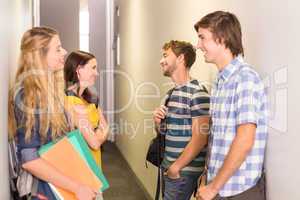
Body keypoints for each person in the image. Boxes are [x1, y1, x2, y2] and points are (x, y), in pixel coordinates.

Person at [8, 27, 98, 200]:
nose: (64, 51)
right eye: (57, 48)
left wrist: (72, 117)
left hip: (58, 180)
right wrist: (77, 187)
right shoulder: (28, 95)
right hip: (46, 190)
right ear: (39, 55)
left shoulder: (49, 91)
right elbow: (30, 160)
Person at [194, 11, 268, 200]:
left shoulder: (245, 79)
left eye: (202, 38)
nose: (198, 45)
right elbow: (217, 137)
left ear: (222, 38)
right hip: (218, 188)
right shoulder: (221, 81)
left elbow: (244, 140)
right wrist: (207, 178)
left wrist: (212, 188)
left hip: (238, 192)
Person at [153, 40, 210, 200]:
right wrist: (158, 123)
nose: (161, 60)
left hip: (182, 173)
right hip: (169, 169)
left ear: (181, 58)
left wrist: (175, 168)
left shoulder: (198, 93)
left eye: (165, 55)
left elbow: (200, 138)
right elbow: (164, 133)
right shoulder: (170, 94)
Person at [64, 50, 109, 170]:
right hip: (82, 166)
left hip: (94, 161)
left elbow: (106, 127)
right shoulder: (71, 101)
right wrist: (99, 132)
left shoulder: (89, 97)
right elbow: (94, 143)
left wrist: (97, 133)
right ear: (78, 70)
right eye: (93, 68)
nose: (97, 73)